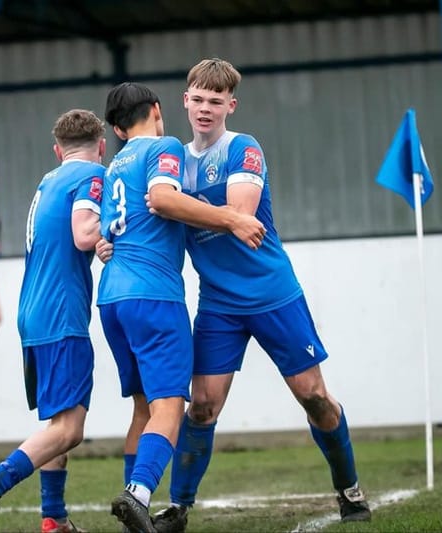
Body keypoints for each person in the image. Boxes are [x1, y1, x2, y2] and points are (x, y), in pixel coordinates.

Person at [150, 58, 372, 532]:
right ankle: (178, 508)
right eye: (198, 99)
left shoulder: (243, 148)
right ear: (185, 100)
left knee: (313, 396)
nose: (205, 109)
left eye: (215, 101)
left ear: (230, 105)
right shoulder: (171, 161)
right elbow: (152, 212)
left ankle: (349, 487)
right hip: (218, 304)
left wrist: (173, 204)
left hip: (273, 294)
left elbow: (241, 215)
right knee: (202, 406)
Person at [98, 82, 265, 533]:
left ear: (117, 129)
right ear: (156, 109)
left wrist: (103, 246)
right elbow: (163, 198)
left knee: (143, 408)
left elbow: (106, 233)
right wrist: (232, 218)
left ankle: (134, 508)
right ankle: (138, 494)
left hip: (111, 298)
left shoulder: (114, 166)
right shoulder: (164, 146)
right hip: (153, 295)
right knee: (170, 404)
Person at [0, 109, 107, 533]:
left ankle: (54, 517)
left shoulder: (48, 181)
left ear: (57, 151)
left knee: (57, 421)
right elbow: (84, 234)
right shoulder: (92, 177)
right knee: (70, 429)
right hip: (61, 313)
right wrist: (115, 232)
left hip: (34, 311)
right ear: (102, 147)